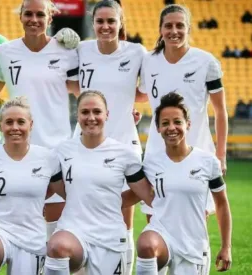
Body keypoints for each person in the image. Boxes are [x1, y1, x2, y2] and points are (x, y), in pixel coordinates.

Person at [138, 4, 229, 274]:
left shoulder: (206, 62)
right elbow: (144, 94)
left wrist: (221, 154)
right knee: (154, 219)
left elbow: (220, 111)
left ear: (188, 29)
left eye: (180, 26)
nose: (174, 31)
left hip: (197, 152)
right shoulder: (149, 61)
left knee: (193, 221)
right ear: (160, 30)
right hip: (156, 153)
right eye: (169, 26)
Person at [0, 0, 80, 251]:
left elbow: (80, 91)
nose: (34, 19)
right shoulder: (5, 52)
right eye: (28, 14)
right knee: (22, 229)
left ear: (50, 18)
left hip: (57, 150)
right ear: (20, 17)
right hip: (18, 151)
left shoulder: (67, 51)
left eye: (40, 14)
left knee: (55, 232)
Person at [71, 1, 147, 273]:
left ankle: (121, 268)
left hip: (125, 139)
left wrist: (127, 107)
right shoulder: (81, 49)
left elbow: (146, 91)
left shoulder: (137, 52)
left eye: (111, 21)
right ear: (93, 23)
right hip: (86, 141)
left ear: (120, 23)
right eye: (100, 21)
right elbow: (70, 84)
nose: (105, 26)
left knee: (125, 215)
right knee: (81, 204)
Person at [43, 91, 154, 275]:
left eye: (97, 111)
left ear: (107, 115)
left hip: (110, 237)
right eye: (85, 112)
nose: (91, 117)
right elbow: (53, 189)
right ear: (77, 115)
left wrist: (116, 201)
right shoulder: (61, 152)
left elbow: (145, 194)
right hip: (73, 232)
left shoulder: (124, 154)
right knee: (57, 246)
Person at [135, 92, 232, 275]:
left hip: (193, 246)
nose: (172, 128)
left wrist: (226, 246)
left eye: (177, 122)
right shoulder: (150, 163)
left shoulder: (208, 162)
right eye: (165, 123)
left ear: (188, 124)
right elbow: (133, 195)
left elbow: (221, 203)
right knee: (146, 244)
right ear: (158, 128)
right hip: (161, 234)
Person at [0, 96, 63, 275]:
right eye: (9, 122)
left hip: (32, 236)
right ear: (0, 124)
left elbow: (62, 191)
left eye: (21, 122)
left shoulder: (48, 158)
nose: (15, 128)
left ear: (31, 124)